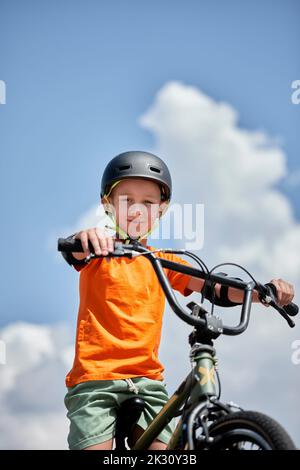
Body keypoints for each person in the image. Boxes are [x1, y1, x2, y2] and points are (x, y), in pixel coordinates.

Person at [61, 150, 295, 451]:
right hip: (96, 381)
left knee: (170, 450)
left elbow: (214, 288)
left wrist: (261, 292)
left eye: (148, 202)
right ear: (107, 204)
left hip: (148, 382)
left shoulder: (165, 262)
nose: (136, 210)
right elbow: (75, 250)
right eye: (126, 200)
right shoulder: (97, 253)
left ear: (162, 208)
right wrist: (86, 240)